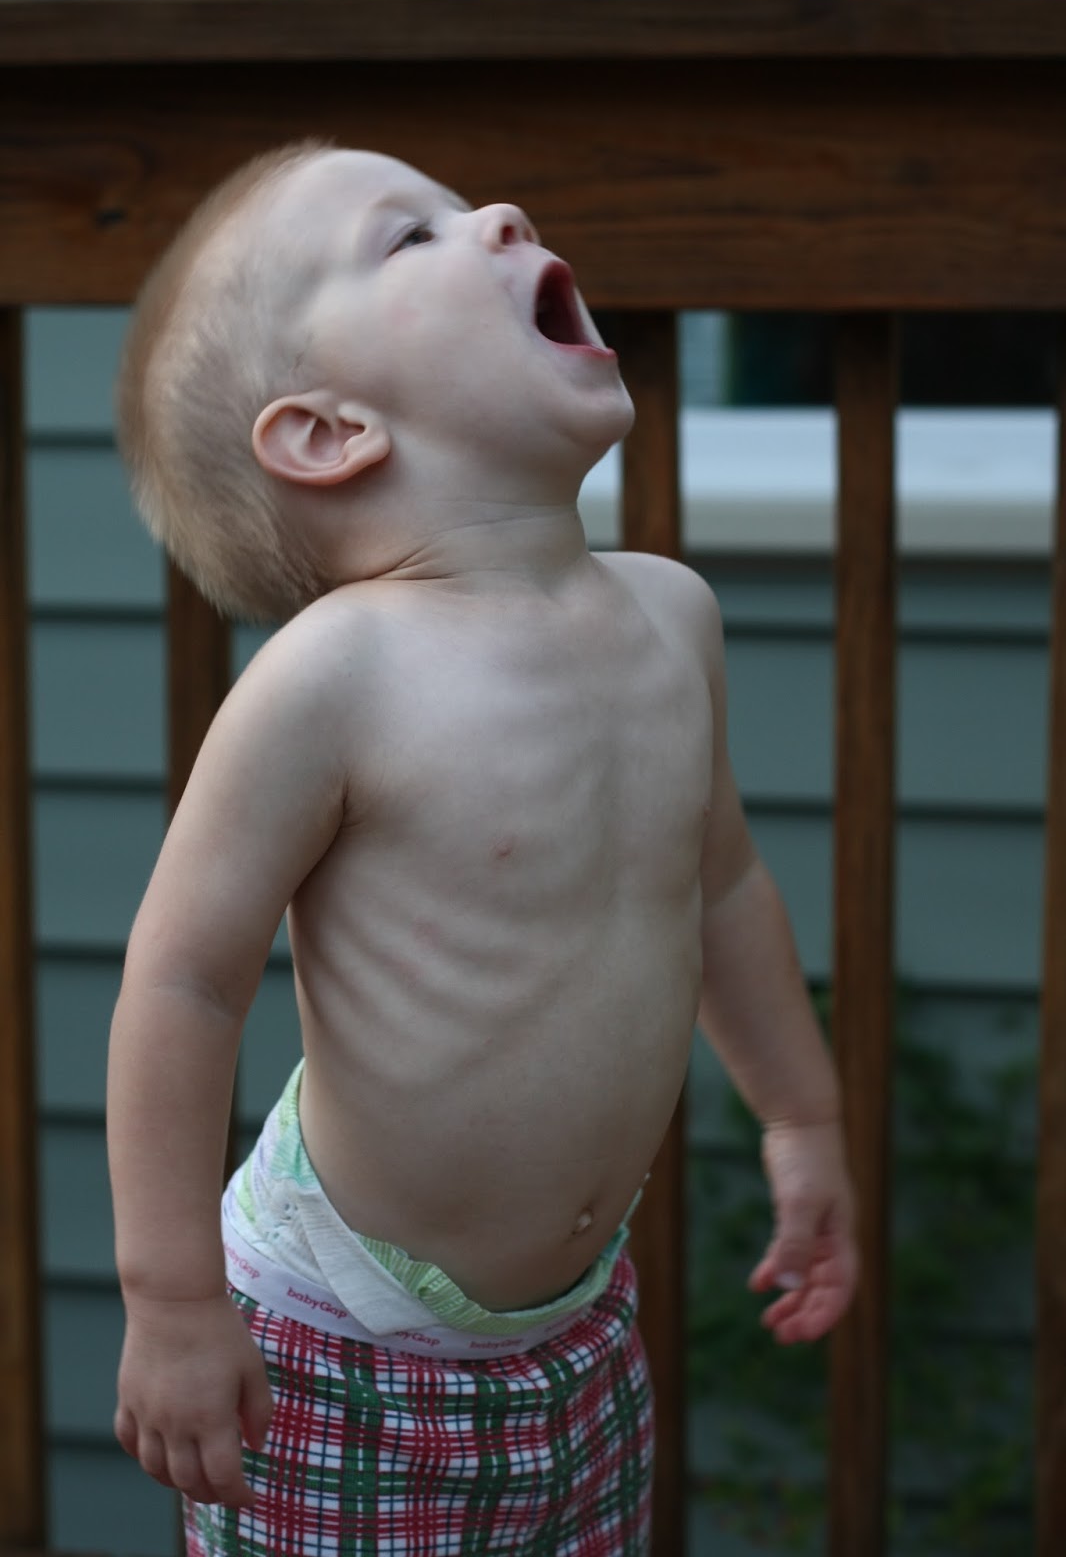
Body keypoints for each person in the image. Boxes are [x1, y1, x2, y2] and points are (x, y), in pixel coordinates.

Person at [107, 140, 858, 1557]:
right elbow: (181, 983)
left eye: (468, 209)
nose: (502, 215)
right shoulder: (332, 679)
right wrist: (172, 1300)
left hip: (575, 1338)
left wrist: (801, 1120)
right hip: (331, 1352)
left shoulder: (670, 618)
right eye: (410, 238)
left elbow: (724, 890)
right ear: (327, 432)